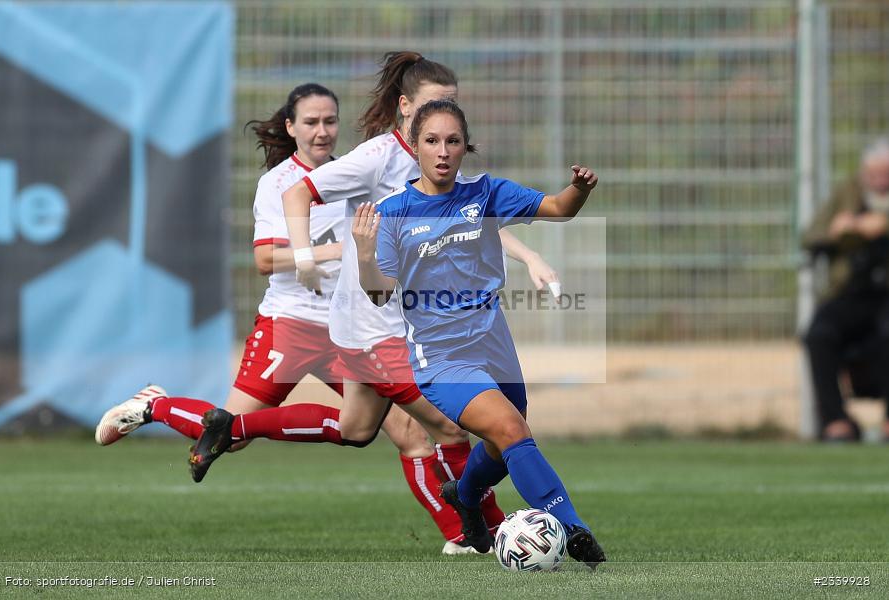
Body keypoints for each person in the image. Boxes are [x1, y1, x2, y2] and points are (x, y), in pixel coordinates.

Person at [192, 52, 559, 550]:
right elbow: (298, 194)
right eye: (434, 105)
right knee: (451, 427)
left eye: (451, 105)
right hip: (375, 324)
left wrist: (529, 254)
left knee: (357, 428)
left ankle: (230, 425)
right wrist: (302, 255)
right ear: (406, 106)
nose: (444, 117)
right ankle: (481, 531)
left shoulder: (438, 157)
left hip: (390, 323)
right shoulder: (377, 158)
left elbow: (473, 218)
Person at [93, 84, 473, 552]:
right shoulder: (277, 184)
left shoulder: (352, 172)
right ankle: (155, 405)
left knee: (410, 434)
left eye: (330, 121)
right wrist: (330, 251)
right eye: (310, 122)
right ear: (291, 128)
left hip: (347, 328)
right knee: (230, 436)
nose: (322, 131)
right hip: (289, 324)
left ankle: (463, 537)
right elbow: (265, 260)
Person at [352, 99, 606, 567]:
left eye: (453, 141)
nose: (443, 151)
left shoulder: (485, 194)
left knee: (499, 442)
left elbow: (557, 209)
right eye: (432, 141)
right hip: (442, 358)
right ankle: (574, 531)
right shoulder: (393, 212)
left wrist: (578, 189)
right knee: (512, 430)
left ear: (466, 146)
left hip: (495, 344)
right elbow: (379, 294)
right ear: (414, 146)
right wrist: (365, 254)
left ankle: (465, 496)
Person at [802, 136, 889, 442]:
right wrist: (836, 231)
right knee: (819, 333)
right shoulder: (847, 193)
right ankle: (836, 421)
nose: (879, 182)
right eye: (874, 175)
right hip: (852, 292)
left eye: (886, 176)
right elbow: (810, 236)